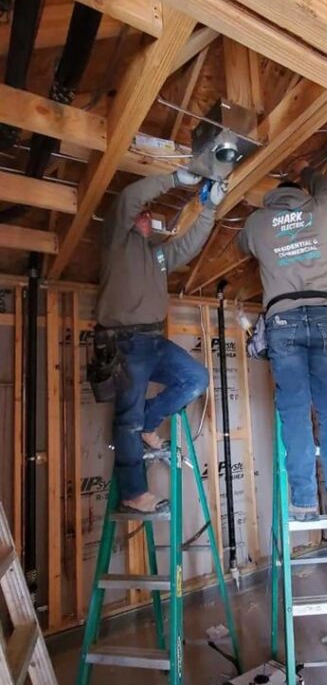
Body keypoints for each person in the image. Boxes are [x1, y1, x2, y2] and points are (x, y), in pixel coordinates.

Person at [96, 169, 225, 515]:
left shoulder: (158, 255)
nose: (146, 214)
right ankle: (134, 492)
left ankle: (150, 422)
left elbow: (187, 244)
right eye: (142, 213)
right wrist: (174, 178)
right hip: (124, 342)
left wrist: (208, 209)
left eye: (149, 214)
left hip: (154, 340)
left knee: (196, 379)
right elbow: (128, 199)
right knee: (128, 419)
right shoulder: (116, 242)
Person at [238, 164, 327, 523]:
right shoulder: (320, 208)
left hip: (283, 320)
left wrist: (270, 229)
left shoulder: (257, 222)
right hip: (325, 316)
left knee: (294, 409)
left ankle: (304, 503)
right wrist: (309, 171)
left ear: (271, 199)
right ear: (300, 194)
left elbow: (242, 245)